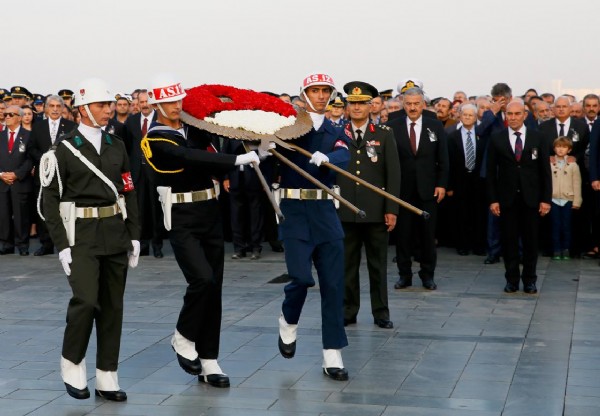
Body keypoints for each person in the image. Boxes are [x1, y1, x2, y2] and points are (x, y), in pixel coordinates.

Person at [141, 74, 260, 388]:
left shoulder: (193, 128)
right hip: (182, 215)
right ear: (156, 105)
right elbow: (189, 157)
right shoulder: (155, 137)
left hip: (209, 210)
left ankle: (209, 360)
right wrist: (236, 159)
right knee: (202, 279)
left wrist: (256, 142)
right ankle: (183, 336)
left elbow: (213, 149)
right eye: (169, 102)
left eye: (178, 100)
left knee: (214, 287)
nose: (175, 106)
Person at [41, 78, 140, 401]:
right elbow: (49, 201)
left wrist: (134, 235)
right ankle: (72, 362)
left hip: (114, 232)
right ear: (83, 110)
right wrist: (61, 245)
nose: (108, 110)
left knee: (113, 307)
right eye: (101, 105)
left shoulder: (116, 145)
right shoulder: (63, 149)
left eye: (109, 104)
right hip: (80, 235)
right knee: (85, 301)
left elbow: (128, 190)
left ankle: (107, 374)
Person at [276, 72, 350, 381]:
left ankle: (332, 353)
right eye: (315, 90)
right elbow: (270, 159)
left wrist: (329, 157)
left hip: (324, 211)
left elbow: (345, 153)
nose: (321, 96)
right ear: (304, 94)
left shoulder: (335, 129)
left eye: (325, 91)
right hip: (294, 211)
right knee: (301, 277)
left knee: (333, 284)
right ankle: (288, 319)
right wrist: (263, 147)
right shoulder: (289, 127)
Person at [337, 81, 400, 329]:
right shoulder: (338, 133)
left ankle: (381, 312)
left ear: (371, 106)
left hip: (376, 211)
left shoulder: (383, 134)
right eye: (352, 103)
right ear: (347, 106)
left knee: (377, 265)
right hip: (345, 210)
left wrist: (391, 209)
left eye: (362, 103)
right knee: (347, 266)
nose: (357, 108)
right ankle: (348, 310)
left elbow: (393, 174)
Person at [487, 99, 551, 294]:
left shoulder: (538, 137)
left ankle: (530, 280)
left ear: (525, 115)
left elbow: (545, 171)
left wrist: (546, 199)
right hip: (507, 199)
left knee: (531, 242)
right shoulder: (497, 138)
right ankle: (512, 280)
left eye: (517, 114)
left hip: (531, 198)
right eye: (510, 114)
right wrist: (493, 199)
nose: (513, 117)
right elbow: (491, 172)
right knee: (509, 241)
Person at [387, 87, 448, 290]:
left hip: (428, 190)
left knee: (427, 236)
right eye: (409, 104)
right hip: (402, 191)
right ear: (403, 104)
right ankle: (404, 275)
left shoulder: (435, 125)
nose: (412, 108)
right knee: (403, 236)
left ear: (423, 104)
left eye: (416, 104)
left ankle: (427, 275)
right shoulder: (392, 127)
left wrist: (441, 184)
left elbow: (443, 158)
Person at [30, 95, 77, 256]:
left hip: (64, 175)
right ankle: (46, 244)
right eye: (52, 106)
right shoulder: (38, 126)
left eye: (58, 106)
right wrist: (45, 159)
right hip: (44, 174)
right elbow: (31, 148)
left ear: (63, 108)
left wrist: (59, 161)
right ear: (46, 108)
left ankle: (67, 242)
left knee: (65, 208)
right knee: (45, 209)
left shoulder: (71, 126)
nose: (55, 109)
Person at [123, 90, 163, 258]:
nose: (145, 105)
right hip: (137, 172)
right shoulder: (131, 121)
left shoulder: (160, 119)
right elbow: (127, 147)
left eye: (147, 101)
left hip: (156, 171)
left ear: (152, 102)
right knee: (139, 210)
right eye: (142, 102)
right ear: (137, 104)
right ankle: (143, 245)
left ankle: (157, 245)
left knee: (156, 209)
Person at [447, 103, 487, 256]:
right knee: (461, 213)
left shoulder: (483, 135)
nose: (467, 117)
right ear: (460, 116)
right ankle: (462, 245)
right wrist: (449, 186)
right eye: (465, 115)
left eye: (471, 115)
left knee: (479, 213)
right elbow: (449, 162)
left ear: (476, 117)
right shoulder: (452, 136)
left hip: (479, 181)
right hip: (460, 180)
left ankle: (478, 245)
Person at [0, 106, 33, 255]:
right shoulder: (0, 136)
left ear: (19, 117)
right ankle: (6, 244)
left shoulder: (29, 136)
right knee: (3, 215)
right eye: (5, 114)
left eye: (10, 114)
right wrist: (1, 174)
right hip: (2, 182)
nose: (7, 117)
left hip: (20, 182)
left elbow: (30, 159)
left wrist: (16, 174)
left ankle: (22, 245)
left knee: (21, 216)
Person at [550, 137, 582, 260]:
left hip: (568, 200)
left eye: (564, 147)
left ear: (569, 150)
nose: (561, 149)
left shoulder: (573, 165)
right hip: (553, 200)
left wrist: (577, 201)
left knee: (566, 226)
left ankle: (566, 249)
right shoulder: (550, 163)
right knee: (555, 226)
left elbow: (577, 183)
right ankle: (556, 250)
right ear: (554, 148)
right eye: (558, 146)